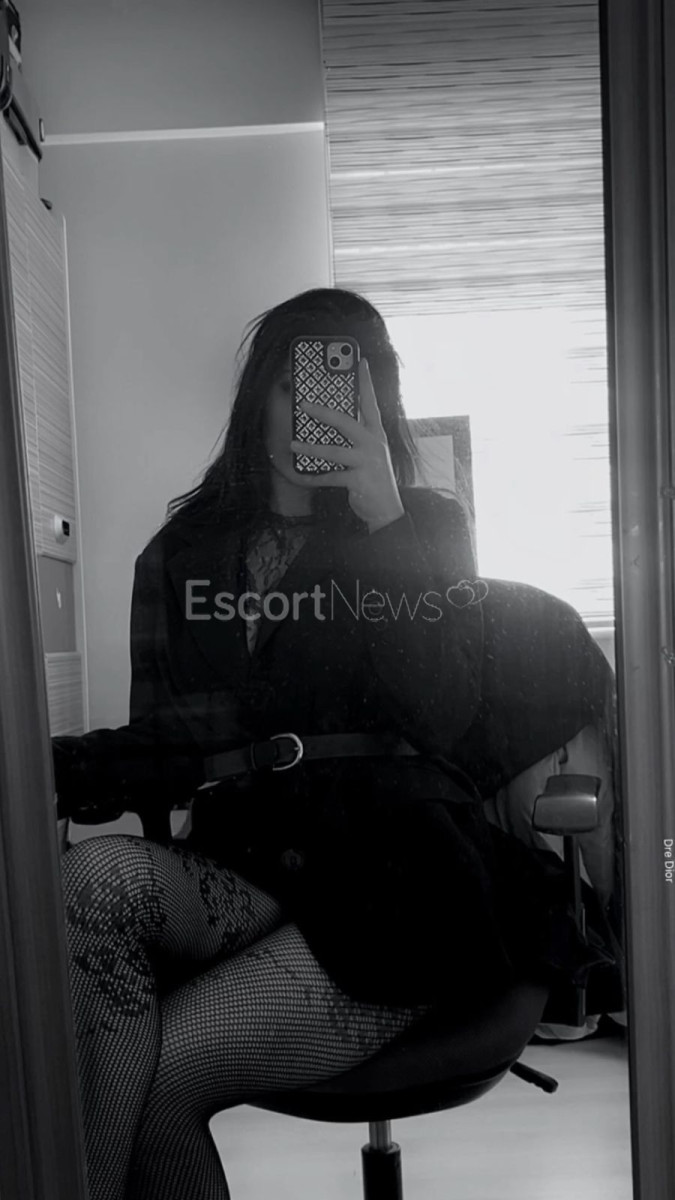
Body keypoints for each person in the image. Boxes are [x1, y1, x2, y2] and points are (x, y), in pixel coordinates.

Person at [54, 288, 613, 1200]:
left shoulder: (423, 527)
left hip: (390, 876)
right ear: (260, 398)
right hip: (244, 863)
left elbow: (442, 716)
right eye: (296, 386)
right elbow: (168, 734)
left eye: (348, 391)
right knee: (91, 882)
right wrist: (62, 765)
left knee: (164, 1075)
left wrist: (386, 521)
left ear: (379, 404)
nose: (313, 412)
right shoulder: (180, 552)